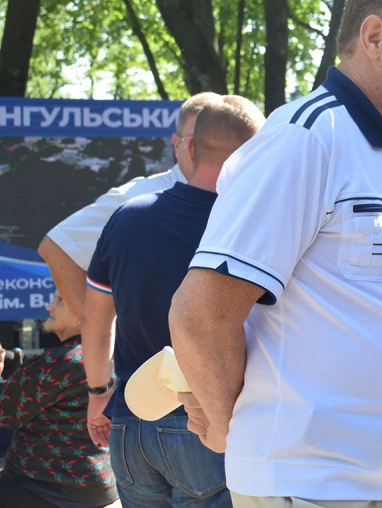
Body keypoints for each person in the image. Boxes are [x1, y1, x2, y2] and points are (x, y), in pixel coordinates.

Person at [168, 0, 382, 508]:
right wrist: (231, 427)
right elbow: (201, 315)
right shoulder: (306, 137)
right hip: (314, 487)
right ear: (375, 36)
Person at [82, 97, 264, 508]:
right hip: (210, 424)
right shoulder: (250, 226)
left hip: (131, 425)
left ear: (192, 148)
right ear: (255, 155)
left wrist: (99, 394)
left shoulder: (127, 217)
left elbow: (95, 323)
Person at [38, 92, 222, 320]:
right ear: (177, 144)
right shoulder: (140, 196)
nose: (208, 148)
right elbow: (58, 247)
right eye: (197, 140)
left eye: (217, 139)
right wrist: (102, 336)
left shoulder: (242, 196)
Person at [0, 293, 118, 508]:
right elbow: (42, 379)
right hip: (99, 484)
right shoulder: (107, 352)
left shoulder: (62, 360)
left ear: (82, 310)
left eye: (60, 300)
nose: (49, 307)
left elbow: (5, 411)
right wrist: (8, 359)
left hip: (43, 488)